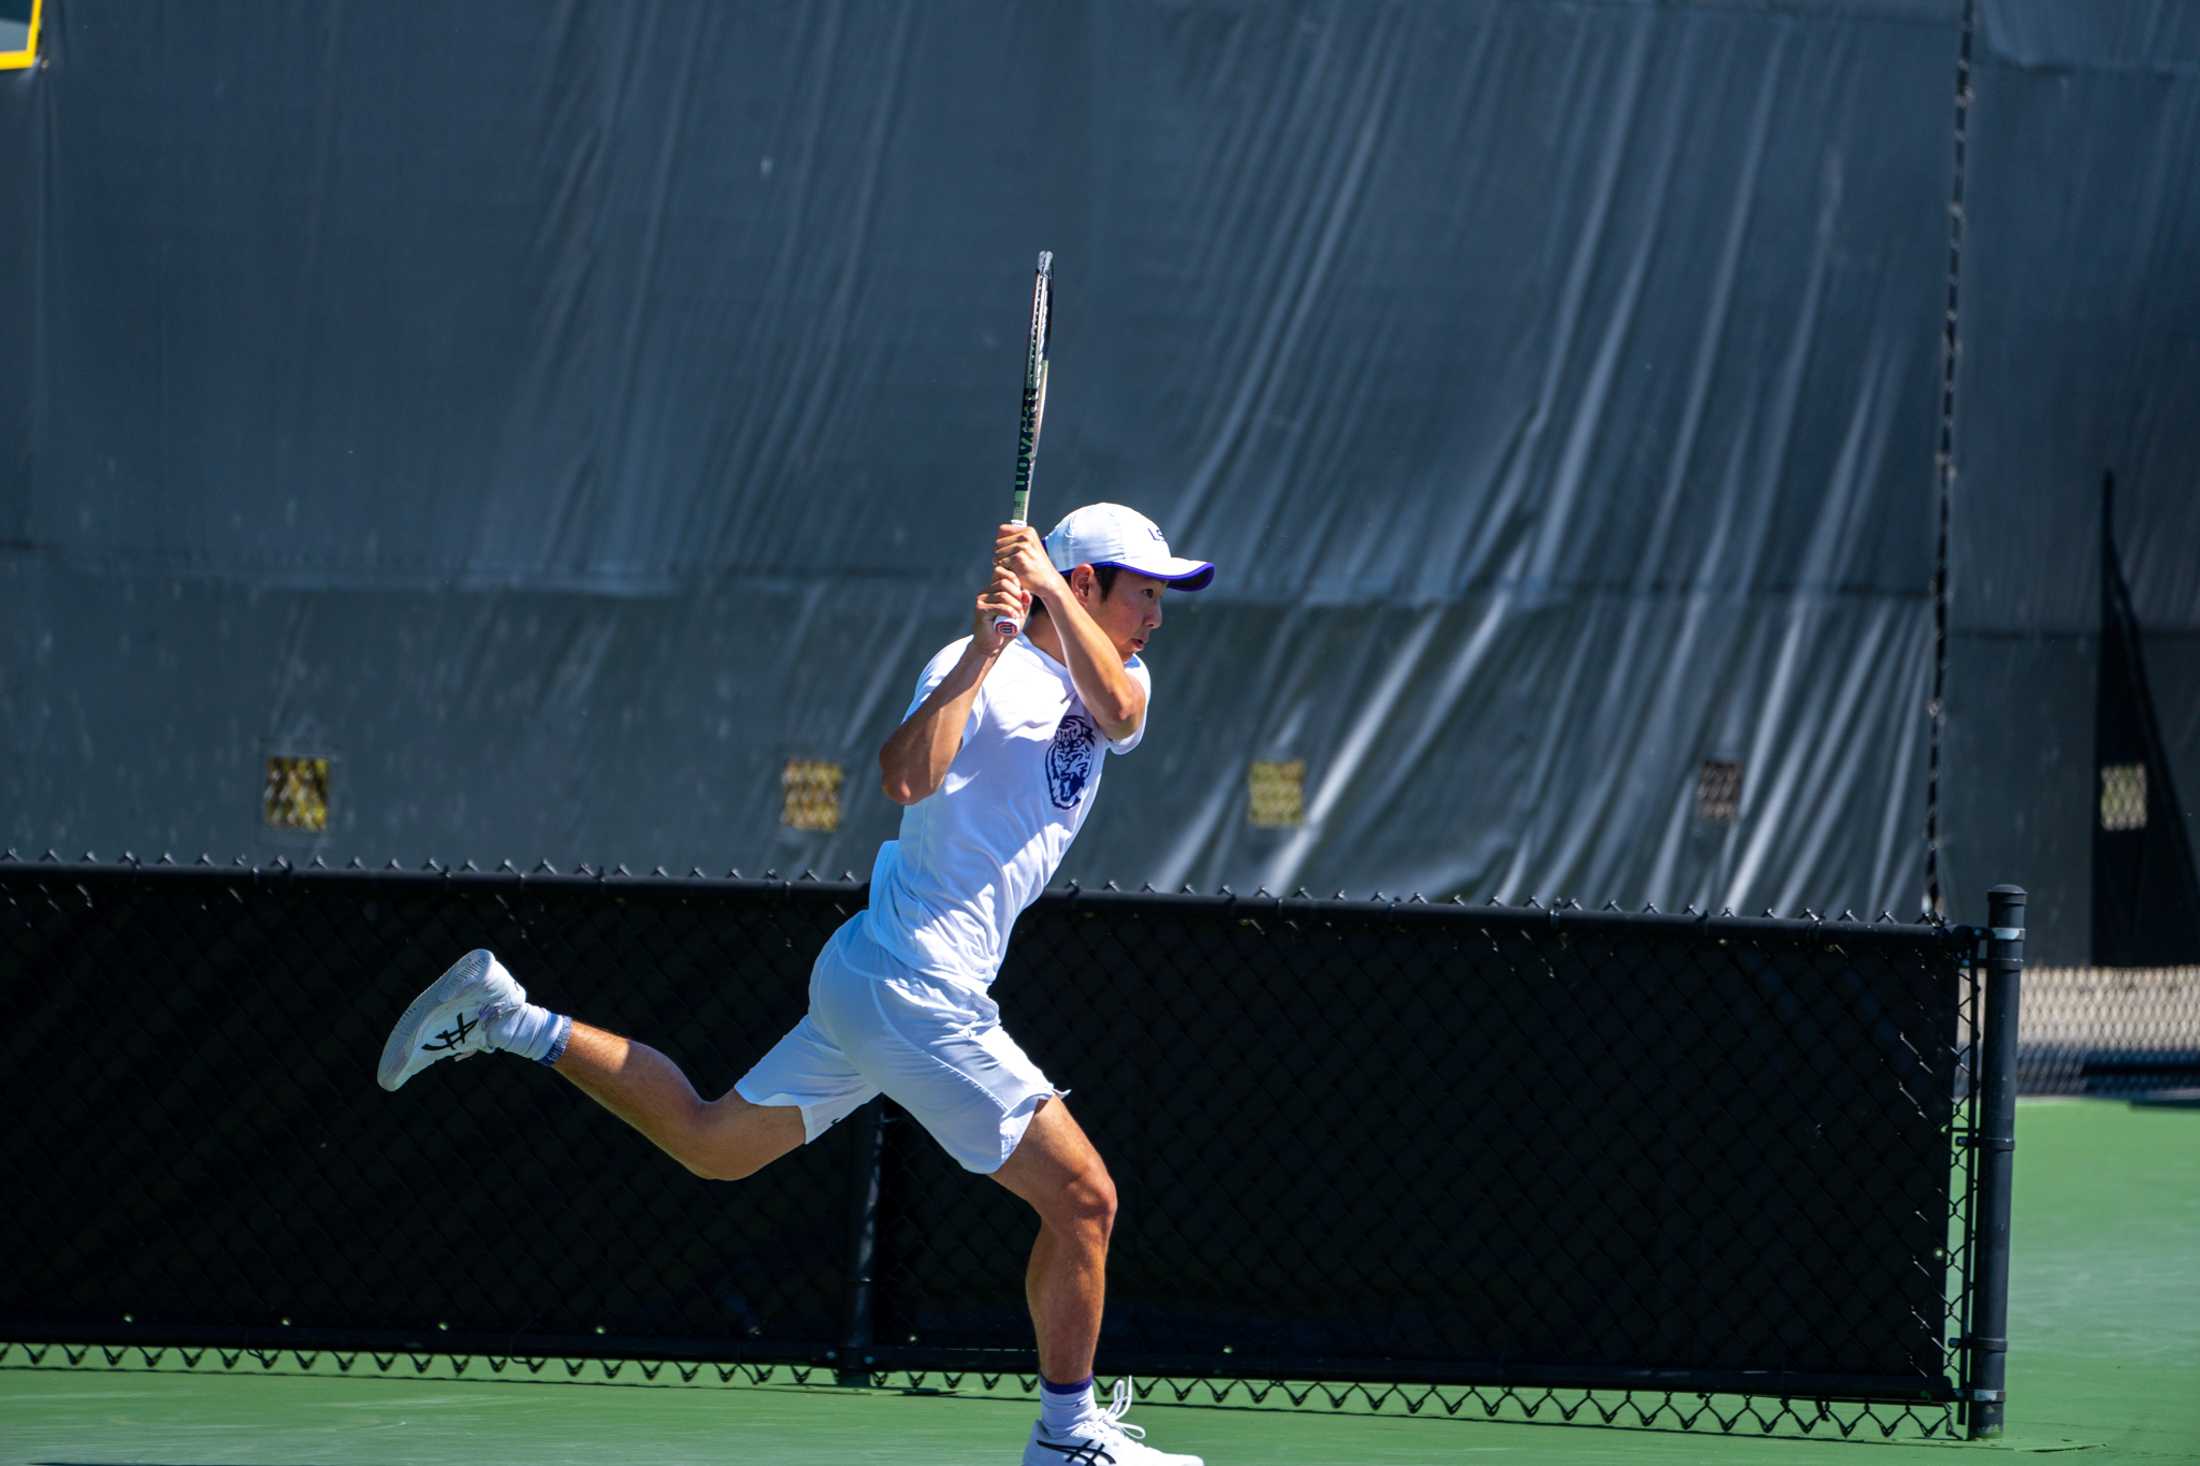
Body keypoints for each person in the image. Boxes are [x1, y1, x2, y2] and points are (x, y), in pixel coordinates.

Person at [378, 502, 1215, 1466]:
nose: (1156, 616)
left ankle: (511, 1018)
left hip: (884, 982)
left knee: (711, 1144)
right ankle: (1067, 1441)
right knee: (1085, 1200)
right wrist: (983, 659)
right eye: (1146, 595)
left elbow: (1118, 712)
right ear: (1085, 586)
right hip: (909, 981)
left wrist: (1044, 600)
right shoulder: (968, 663)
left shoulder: (1124, 676)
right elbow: (905, 781)